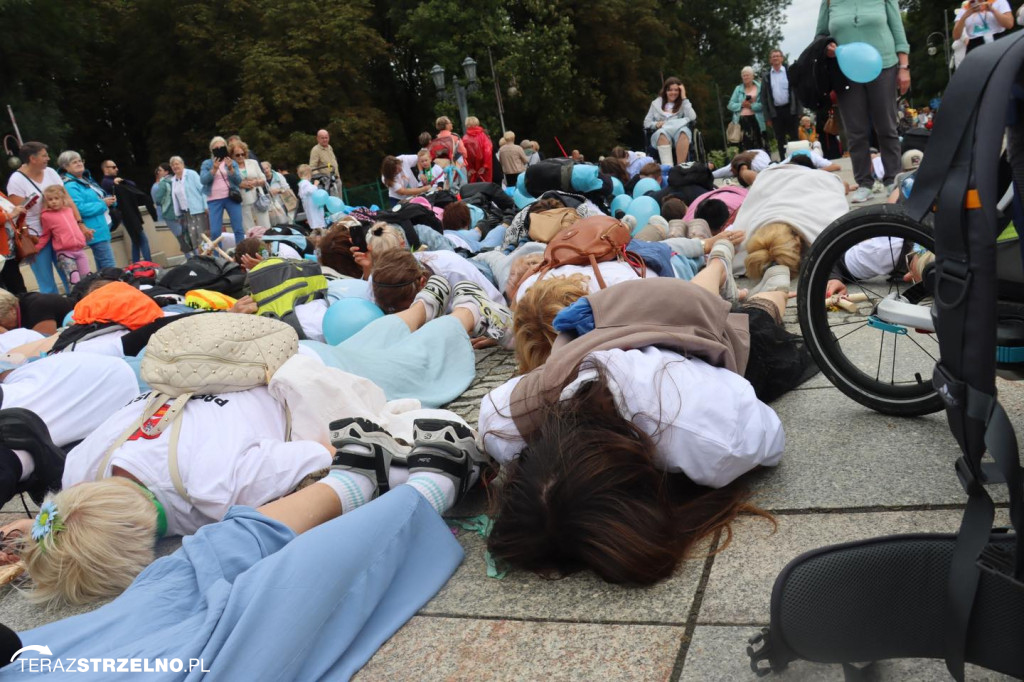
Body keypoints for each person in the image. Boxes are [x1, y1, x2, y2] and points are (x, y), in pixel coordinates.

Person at [480, 265, 813, 584]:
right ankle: (720, 267)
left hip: (685, 325)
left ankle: (773, 282)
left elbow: (771, 435)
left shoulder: (708, 432)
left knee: (760, 314)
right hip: (630, 314)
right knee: (702, 295)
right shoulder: (503, 421)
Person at [817, 0, 910, 204]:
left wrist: (904, 67)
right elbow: (820, 36)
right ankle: (864, 183)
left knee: (886, 126)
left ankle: (892, 178)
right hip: (846, 70)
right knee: (855, 131)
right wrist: (827, 47)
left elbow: (897, 31)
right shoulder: (829, 2)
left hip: (883, 65)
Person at [6, 142, 77, 293]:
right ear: (33, 158)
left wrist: (79, 223)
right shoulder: (16, 180)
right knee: (46, 282)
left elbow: (68, 200)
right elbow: (19, 215)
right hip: (36, 236)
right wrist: (27, 237)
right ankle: (54, 312)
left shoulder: (51, 172)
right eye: (44, 155)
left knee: (70, 275)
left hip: (59, 232)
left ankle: (76, 310)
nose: (48, 158)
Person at [57, 150, 118, 272]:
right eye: (74, 162)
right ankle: (114, 288)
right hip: (93, 228)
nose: (79, 163)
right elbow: (79, 208)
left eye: (80, 160)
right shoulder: (70, 185)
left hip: (101, 225)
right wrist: (103, 203)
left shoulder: (86, 179)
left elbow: (99, 197)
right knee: (108, 263)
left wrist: (111, 201)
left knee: (103, 266)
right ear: (65, 167)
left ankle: (105, 288)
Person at [100, 159, 154, 263]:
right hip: (125, 214)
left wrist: (121, 181)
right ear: (106, 169)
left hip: (129, 214)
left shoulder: (114, 181)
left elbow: (131, 184)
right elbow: (125, 186)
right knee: (142, 239)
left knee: (136, 241)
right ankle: (149, 264)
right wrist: (117, 182)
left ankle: (136, 264)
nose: (117, 169)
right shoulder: (106, 182)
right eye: (113, 167)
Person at [38, 185, 90, 285]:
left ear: (62, 199)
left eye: (56, 198)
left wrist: (84, 233)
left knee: (87, 277)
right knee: (74, 280)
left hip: (79, 250)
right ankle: (76, 299)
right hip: (65, 253)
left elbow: (76, 226)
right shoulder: (46, 216)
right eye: (50, 199)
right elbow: (45, 235)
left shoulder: (69, 210)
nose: (53, 201)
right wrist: (36, 248)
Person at [200, 136, 245, 246]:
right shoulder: (207, 164)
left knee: (238, 228)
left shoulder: (232, 162)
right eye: (216, 148)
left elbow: (238, 180)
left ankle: (241, 254)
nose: (219, 149)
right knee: (215, 232)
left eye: (222, 147)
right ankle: (217, 257)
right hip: (214, 200)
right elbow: (203, 180)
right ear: (212, 150)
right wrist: (214, 169)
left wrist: (230, 169)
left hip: (231, 197)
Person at [644, 77, 698, 166]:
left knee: (684, 132)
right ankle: (668, 167)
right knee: (661, 134)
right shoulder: (656, 104)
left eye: (676, 90)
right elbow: (646, 123)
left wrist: (684, 97)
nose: (673, 93)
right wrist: (656, 124)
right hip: (662, 133)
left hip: (679, 131)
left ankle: (680, 167)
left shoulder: (684, 103)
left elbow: (692, 117)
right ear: (665, 91)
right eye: (670, 90)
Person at [760, 49, 801, 155]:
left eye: (777, 56)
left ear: (782, 58)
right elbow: (763, 98)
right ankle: (784, 161)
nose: (775, 58)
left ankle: (798, 159)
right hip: (776, 112)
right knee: (780, 138)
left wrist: (800, 110)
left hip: (790, 109)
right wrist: (767, 117)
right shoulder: (766, 76)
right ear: (770, 60)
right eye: (773, 56)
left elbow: (797, 91)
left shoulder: (789, 72)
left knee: (794, 136)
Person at [169, 156, 208, 256]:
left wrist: (205, 205)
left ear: (182, 164)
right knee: (192, 238)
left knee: (203, 236)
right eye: (173, 165)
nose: (175, 166)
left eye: (177, 163)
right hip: (186, 213)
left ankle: (208, 259)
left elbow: (202, 189)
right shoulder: (173, 180)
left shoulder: (191, 174)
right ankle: (199, 260)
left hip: (199, 210)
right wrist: (177, 213)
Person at [230, 140, 270, 232]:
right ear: (232, 155)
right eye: (237, 155)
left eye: (242, 154)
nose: (240, 156)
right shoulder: (231, 167)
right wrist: (241, 184)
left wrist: (255, 182)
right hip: (243, 200)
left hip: (258, 197)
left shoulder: (253, 162)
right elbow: (231, 183)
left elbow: (263, 179)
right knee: (249, 228)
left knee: (265, 225)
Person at [0, 287, 74, 336]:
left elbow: (45, 346)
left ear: (12, 310)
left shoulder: (37, 309)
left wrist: (6, 335)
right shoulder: (15, 306)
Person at [152, 162, 187, 255]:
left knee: (180, 237)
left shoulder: (162, 183)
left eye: (160, 170)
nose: (157, 172)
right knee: (186, 235)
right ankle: (196, 254)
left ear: (166, 172)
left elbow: (158, 200)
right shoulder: (177, 179)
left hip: (169, 213)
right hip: (182, 211)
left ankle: (190, 258)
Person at [728, 67, 767, 152]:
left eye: (748, 75)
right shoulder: (738, 89)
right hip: (742, 121)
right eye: (744, 75)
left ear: (753, 76)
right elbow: (730, 105)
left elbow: (763, 105)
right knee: (745, 148)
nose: (745, 77)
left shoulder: (759, 87)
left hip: (757, 120)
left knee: (760, 145)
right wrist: (741, 105)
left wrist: (751, 106)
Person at [0, 191, 28, 294]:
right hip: (2, 252)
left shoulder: (1, 194)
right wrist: (12, 214)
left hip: (9, 248)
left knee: (17, 287)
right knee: (7, 290)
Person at [463, 116, 494, 183]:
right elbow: (488, 151)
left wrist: (469, 168)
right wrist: (485, 166)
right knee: (486, 187)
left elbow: (464, 155)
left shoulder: (465, 138)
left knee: (475, 188)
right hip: (484, 168)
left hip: (472, 169)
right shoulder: (483, 136)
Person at [296, 164, 326, 230]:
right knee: (317, 223)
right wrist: (315, 185)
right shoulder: (305, 183)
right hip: (313, 208)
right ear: (309, 174)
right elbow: (310, 190)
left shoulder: (302, 184)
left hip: (310, 208)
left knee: (315, 222)